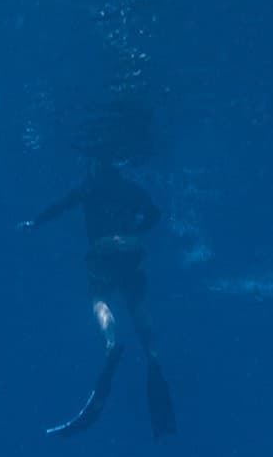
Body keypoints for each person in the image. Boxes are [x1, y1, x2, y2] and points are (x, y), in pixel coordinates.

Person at [24, 159, 177, 440]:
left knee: (99, 300)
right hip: (131, 255)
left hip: (101, 254)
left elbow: (60, 206)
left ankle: (111, 342)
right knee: (137, 304)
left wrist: (35, 222)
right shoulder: (132, 189)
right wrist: (132, 235)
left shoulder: (88, 187)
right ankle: (152, 355)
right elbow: (154, 215)